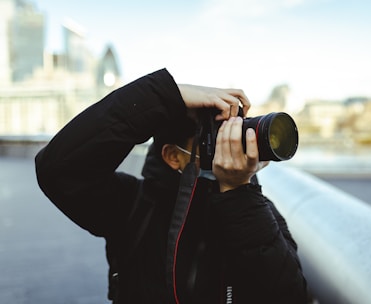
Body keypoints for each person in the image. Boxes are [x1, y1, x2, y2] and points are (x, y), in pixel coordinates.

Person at [35, 68, 308, 303]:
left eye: (231, 128)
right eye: (213, 135)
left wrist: (238, 193)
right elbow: (58, 170)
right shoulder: (132, 205)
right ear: (172, 156)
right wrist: (166, 95)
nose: (229, 141)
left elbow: (289, 296)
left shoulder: (256, 210)